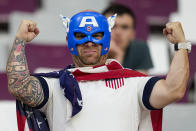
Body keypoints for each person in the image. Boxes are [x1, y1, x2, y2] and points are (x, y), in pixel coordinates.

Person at [6, 10, 190, 131]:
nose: (89, 42)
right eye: (80, 35)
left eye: (97, 35)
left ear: (107, 40)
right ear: (69, 41)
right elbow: (19, 86)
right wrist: (20, 40)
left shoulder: (134, 83)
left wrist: (181, 46)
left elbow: (173, 90)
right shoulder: (55, 85)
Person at [102, 4, 153, 74]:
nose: (118, 32)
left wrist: (118, 55)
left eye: (124, 27)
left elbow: (140, 84)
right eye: (112, 26)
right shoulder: (91, 47)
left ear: (133, 34)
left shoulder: (140, 48)